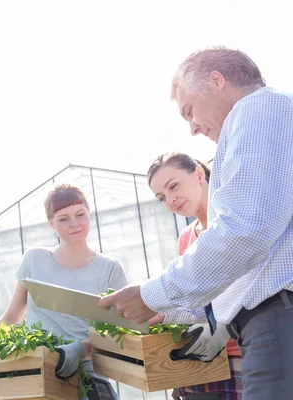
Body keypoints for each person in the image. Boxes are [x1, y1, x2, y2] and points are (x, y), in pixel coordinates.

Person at [98, 46, 293, 399]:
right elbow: (250, 263)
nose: (192, 129)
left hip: (279, 318)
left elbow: (245, 231)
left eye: (190, 111)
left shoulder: (257, 110)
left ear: (217, 81)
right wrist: (165, 307)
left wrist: (154, 294)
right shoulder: (268, 118)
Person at [0, 183, 128, 400]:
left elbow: (121, 332)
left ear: (89, 214)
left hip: (88, 372)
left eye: (80, 214)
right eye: (63, 218)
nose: (74, 223)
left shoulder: (109, 268)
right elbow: (12, 316)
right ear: (51, 224)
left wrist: (80, 349)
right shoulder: (34, 259)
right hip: (37, 366)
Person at [147, 152, 242, 399]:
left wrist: (227, 326)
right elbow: (199, 306)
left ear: (199, 173)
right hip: (207, 363)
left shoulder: (235, 220)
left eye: (173, 186)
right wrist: (162, 313)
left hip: (250, 354)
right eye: (161, 198)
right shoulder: (187, 238)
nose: (170, 200)